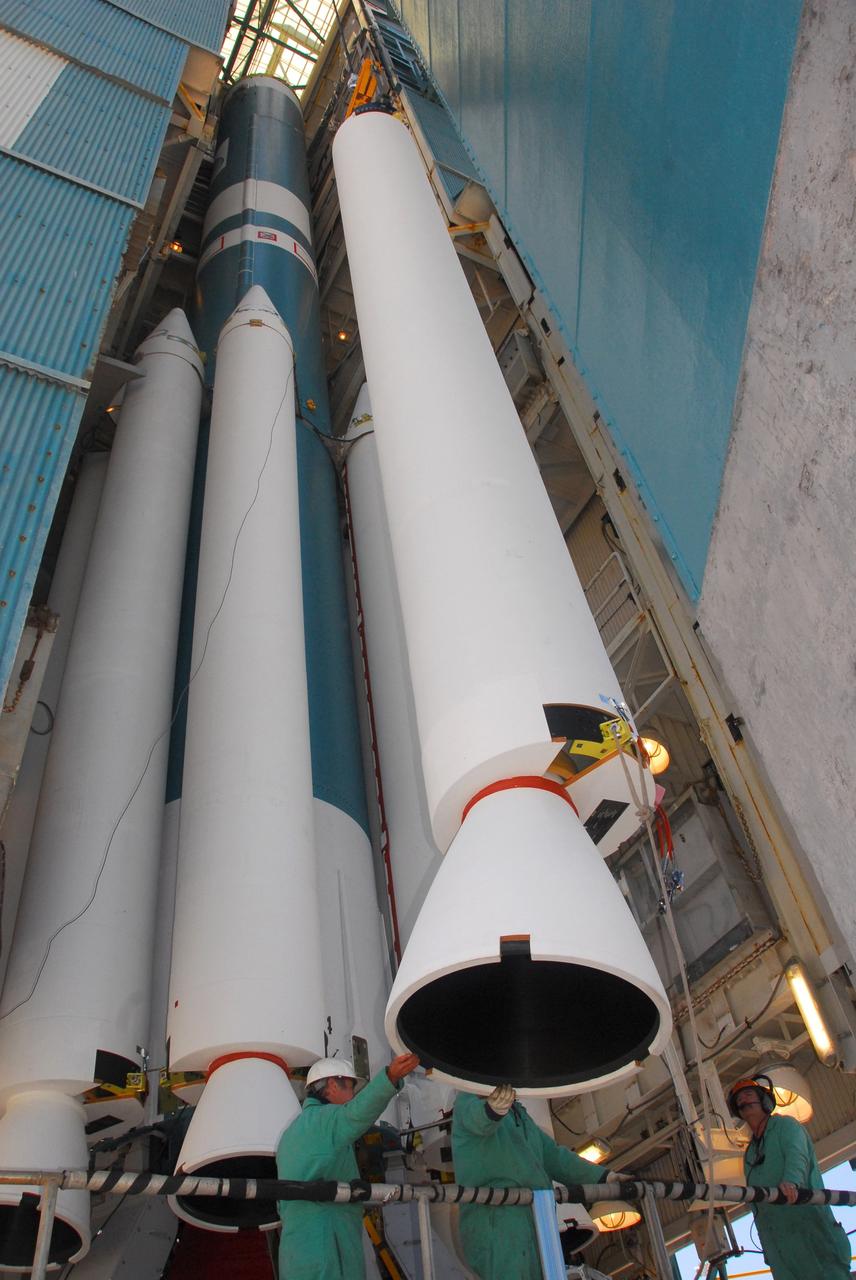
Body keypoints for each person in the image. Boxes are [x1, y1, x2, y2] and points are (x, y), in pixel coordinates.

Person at [452, 1084, 622, 1279]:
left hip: (536, 1218)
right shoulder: (466, 1100)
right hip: (498, 1222)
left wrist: (605, 1177)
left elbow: (554, 1157)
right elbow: (477, 1120)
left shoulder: (520, 1117)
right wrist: (491, 1110)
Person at [276, 1051, 419, 1280]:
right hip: (328, 1255)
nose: (353, 1096)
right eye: (351, 1088)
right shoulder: (326, 1121)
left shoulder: (291, 1134)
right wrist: (390, 1077)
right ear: (332, 1085)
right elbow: (356, 1115)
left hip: (298, 1257)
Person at [728, 1074, 851, 1280]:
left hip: (812, 1234)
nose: (743, 1101)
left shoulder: (787, 1126)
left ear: (765, 1101)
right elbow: (756, 1203)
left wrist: (791, 1183)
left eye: (748, 1094)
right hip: (781, 1251)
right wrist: (768, 1247)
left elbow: (797, 1155)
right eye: (739, 1100)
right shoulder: (749, 1155)